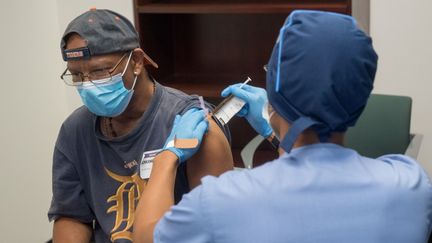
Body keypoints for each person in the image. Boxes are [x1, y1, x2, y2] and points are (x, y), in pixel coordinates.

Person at [132, 10, 432, 243]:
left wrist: (166, 158)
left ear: (276, 91)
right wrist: (275, 131)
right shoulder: (408, 185)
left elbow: (147, 237)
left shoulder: (222, 201)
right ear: (361, 94)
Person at [47, 9, 234, 243]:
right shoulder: (75, 130)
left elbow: (215, 228)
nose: (88, 84)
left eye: (100, 71)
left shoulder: (192, 124)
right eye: (77, 76)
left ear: (136, 61)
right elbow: (71, 216)